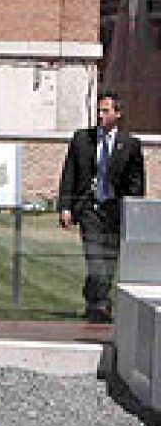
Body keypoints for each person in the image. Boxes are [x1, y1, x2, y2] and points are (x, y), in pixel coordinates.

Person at [58, 91, 147, 323]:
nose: (100, 115)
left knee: (109, 260)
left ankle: (93, 296)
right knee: (95, 256)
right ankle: (100, 304)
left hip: (115, 210)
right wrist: (65, 206)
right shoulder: (82, 139)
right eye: (98, 110)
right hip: (89, 207)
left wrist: (134, 213)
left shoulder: (130, 145)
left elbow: (136, 183)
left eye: (106, 111)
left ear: (118, 114)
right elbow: (69, 174)